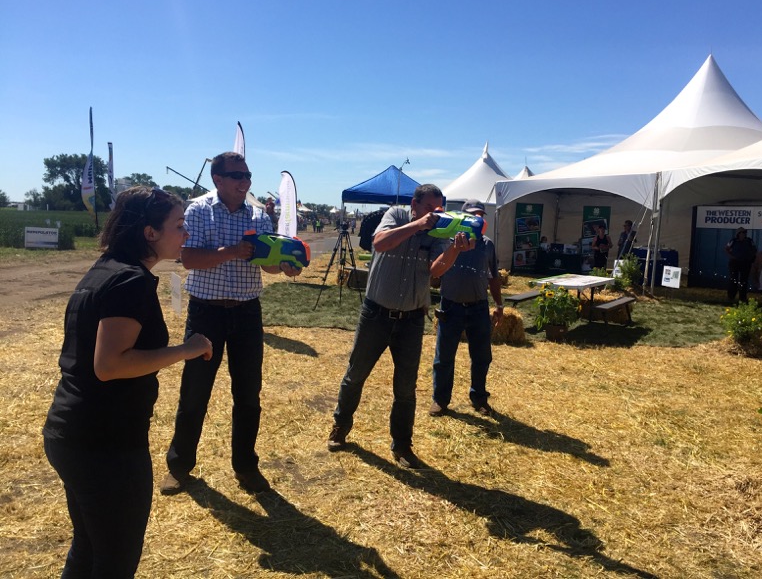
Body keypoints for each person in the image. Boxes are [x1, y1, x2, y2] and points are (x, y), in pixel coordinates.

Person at [43, 187, 213, 577]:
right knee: (114, 561)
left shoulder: (106, 268)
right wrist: (186, 349)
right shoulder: (130, 281)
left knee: (88, 549)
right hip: (105, 445)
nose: (186, 233)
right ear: (150, 232)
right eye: (179, 225)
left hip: (74, 434)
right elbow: (109, 365)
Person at [161, 152, 302, 496]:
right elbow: (189, 259)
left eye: (248, 175)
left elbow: (266, 264)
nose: (245, 182)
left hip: (247, 313)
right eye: (238, 176)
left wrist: (284, 266)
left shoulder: (258, 215)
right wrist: (232, 251)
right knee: (195, 392)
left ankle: (246, 467)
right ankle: (179, 466)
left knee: (248, 393)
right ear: (218, 179)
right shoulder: (198, 210)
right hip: (206, 313)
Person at [326, 184, 473, 468]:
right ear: (414, 205)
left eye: (439, 209)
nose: (435, 214)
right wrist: (418, 225)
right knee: (356, 375)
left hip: (412, 320)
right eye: (429, 208)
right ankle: (340, 426)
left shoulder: (439, 231)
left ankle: (402, 445)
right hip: (376, 314)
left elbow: (436, 271)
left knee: (406, 388)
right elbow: (379, 243)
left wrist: (455, 250)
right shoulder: (395, 215)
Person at [430, 199, 504, 418]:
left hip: (478, 307)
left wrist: (499, 305)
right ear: (463, 218)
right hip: (450, 306)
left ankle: (479, 398)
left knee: (482, 356)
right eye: (473, 215)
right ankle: (440, 400)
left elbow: (493, 277)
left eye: (480, 215)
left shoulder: (487, 245)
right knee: (444, 357)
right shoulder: (447, 241)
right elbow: (434, 277)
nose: (477, 218)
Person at [725, 227, 756, 303]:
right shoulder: (733, 241)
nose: (743, 234)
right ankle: (731, 296)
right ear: (738, 234)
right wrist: (731, 256)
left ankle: (742, 297)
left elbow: (754, 249)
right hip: (735, 262)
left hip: (745, 262)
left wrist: (750, 258)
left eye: (744, 233)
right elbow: (726, 248)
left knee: (744, 280)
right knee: (733, 279)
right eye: (742, 233)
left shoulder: (749, 241)